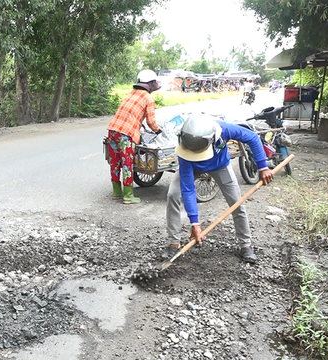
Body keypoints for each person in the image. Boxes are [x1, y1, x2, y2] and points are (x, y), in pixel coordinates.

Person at [162, 115, 274, 263]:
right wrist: (195, 223)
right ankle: (173, 242)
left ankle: (245, 245)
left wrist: (263, 166)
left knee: (236, 203)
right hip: (191, 166)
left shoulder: (223, 129)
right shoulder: (185, 147)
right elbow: (188, 189)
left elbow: (252, 137)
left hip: (220, 166)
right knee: (173, 195)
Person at [106, 69, 161, 204]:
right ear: (151, 83)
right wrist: (159, 131)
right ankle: (128, 195)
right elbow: (151, 122)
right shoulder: (148, 98)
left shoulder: (130, 94)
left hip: (112, 130)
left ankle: (117, 192)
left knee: (115, 162)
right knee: (127, 163)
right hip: (126, 134)